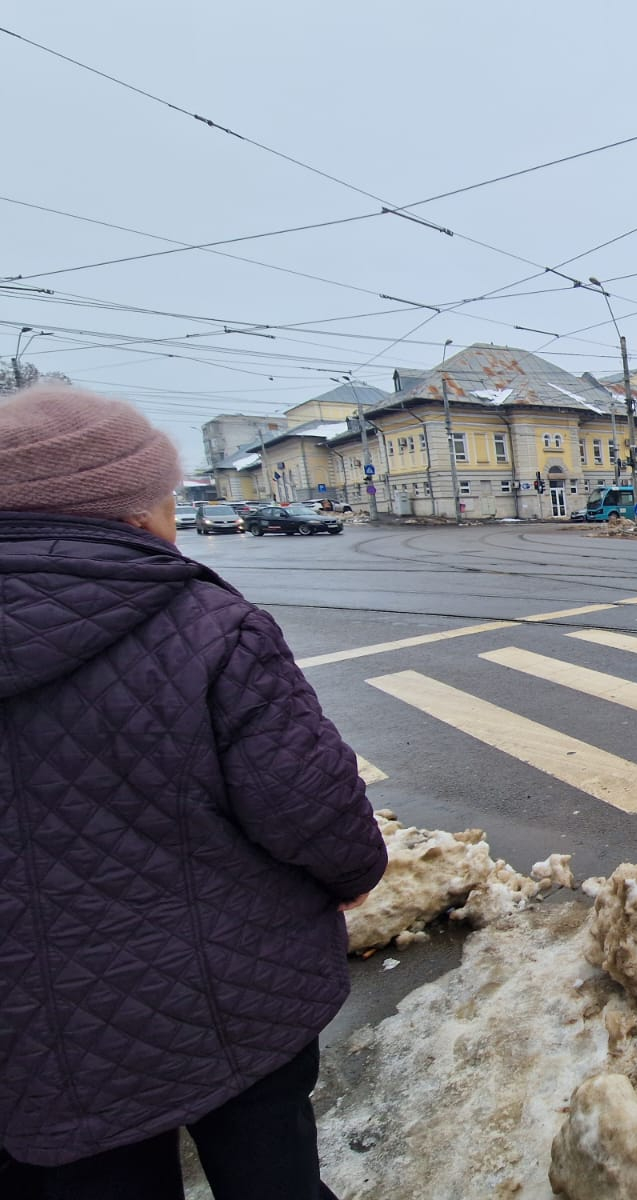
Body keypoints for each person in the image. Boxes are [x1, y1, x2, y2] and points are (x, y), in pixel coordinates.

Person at [0, 385, 388, 1200]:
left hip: (31, 1046)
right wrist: (355, 874)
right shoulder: (206, 623)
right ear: (133, 509)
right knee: (273, 1177)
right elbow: (310, 803)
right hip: (235, 997)